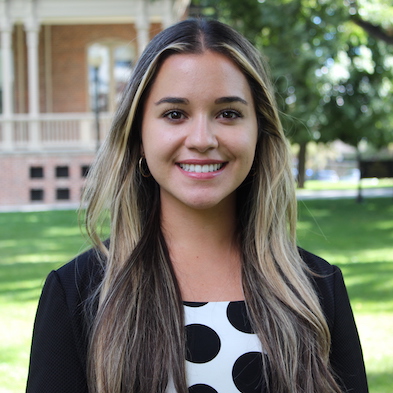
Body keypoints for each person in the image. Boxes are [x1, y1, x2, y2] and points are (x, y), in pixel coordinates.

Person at [26, 19, 368, 393]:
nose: (202, 139)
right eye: (175, 114)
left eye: (228, 113)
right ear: (139, 135)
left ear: (260, 132)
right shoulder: (77, 294)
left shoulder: (317, 290)